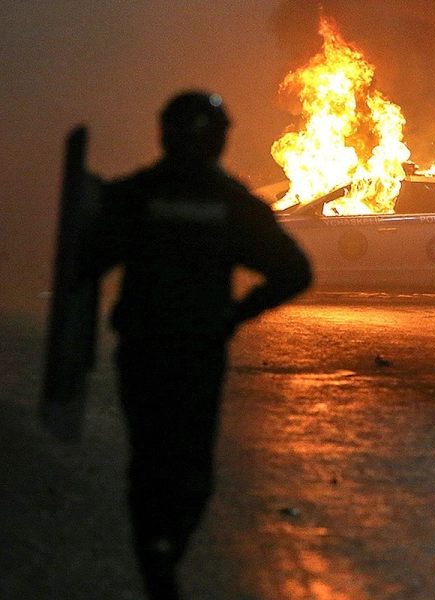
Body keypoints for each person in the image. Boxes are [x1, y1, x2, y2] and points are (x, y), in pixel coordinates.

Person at [83, 91, 313, 599]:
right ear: (218, 141)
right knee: (191, 466)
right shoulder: (230, 203)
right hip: (197, 354)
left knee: (147, 458)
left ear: (164, 134)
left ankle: (155, 557)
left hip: (142, 351)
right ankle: (167, 553)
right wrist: (234, 316)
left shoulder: (138, 194)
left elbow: (87, 260)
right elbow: (295, 271)